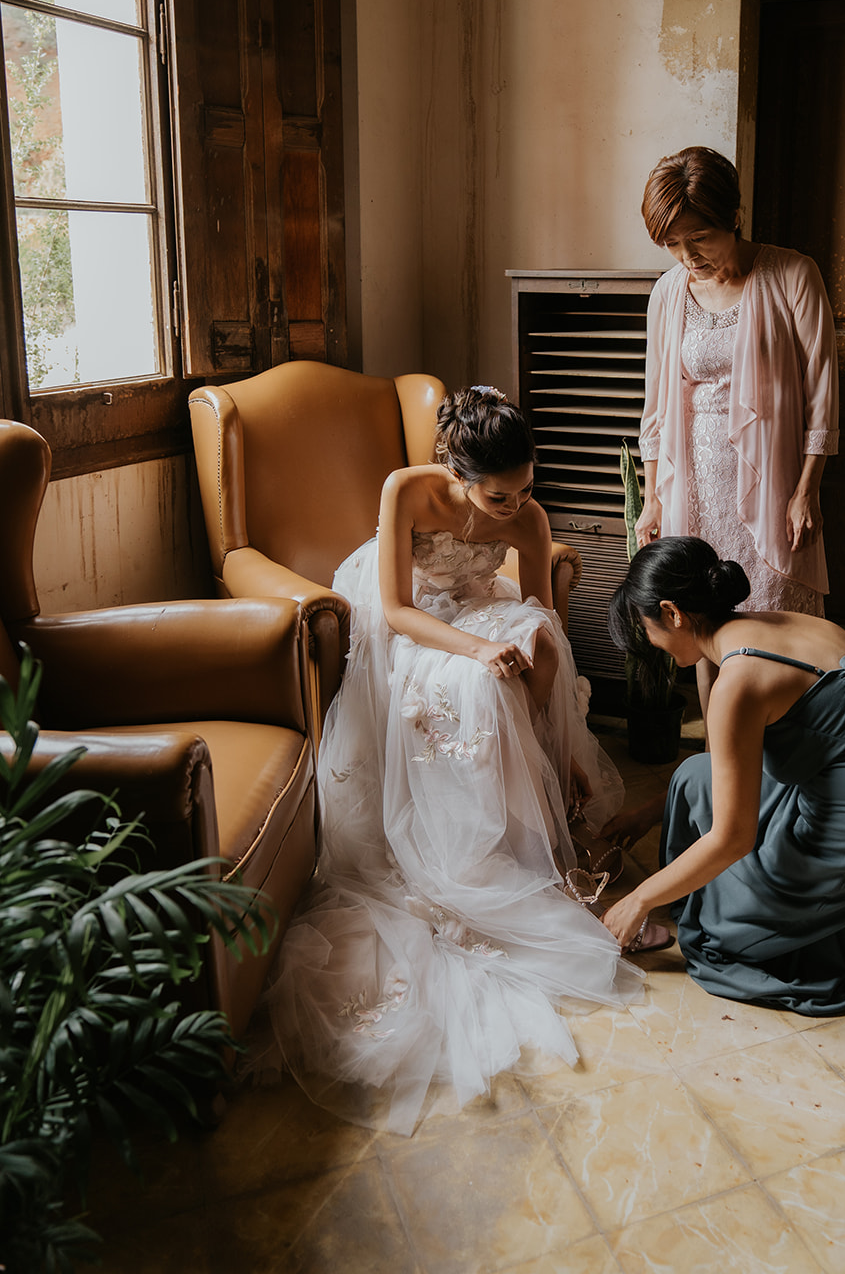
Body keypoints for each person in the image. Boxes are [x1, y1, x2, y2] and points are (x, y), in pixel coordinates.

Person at [261, 386, 648, 1134]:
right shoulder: (407, 488)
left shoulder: (528, 517)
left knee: (532, 644)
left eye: (525, 489)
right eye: (498, 495)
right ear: (456, 470)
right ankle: (471, 838)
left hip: (484, 609)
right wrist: (477, 649)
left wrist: (557, 724)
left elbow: (544, 622)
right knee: (479, 677)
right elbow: (399, 610)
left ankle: (534, 793)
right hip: (410, 619)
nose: (513, 507)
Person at [603, 537, 845, 1015]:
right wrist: (647, 813)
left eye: (648, 630)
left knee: (717, 935)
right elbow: (734, 769)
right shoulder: (782, 624)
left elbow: (732, 838)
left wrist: (637, 899)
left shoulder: (738, 683)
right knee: (693, 776)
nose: (654, 645)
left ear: (673, 613)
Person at [636, 145, 839, 721]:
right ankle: (723, 761)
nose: (686, 255)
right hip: (693, 478)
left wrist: (806, 490)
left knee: (775, 619)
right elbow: (656, 405)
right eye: (672, 244)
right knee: (708, 624)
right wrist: (653, 498)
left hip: (770, 477)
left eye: (698, 237)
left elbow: (822, 391)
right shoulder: (668, 292)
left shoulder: (794, 275)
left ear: (733, 217)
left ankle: (793, 760)